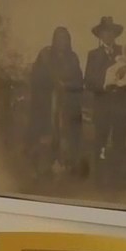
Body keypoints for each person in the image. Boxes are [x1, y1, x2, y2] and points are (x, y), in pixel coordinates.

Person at [83, 16, 126, 167]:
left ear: (115, 34)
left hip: (122, 106)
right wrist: (104, 86)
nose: (108, 35)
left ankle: (116, 177)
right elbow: (88, 81)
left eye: (111, 32)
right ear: (100, 35)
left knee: (119, 143)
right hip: (102, 105)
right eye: (104, 32)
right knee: (100, 143)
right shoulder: (93, 55)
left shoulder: (125, 51)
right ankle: (100, 177)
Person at [26, 27, 85, 174]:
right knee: (46, 135)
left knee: (68, 136)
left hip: (68, 105)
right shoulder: (45, 55)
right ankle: (42, 169)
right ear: (54, 40)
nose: (62, 42)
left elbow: (79, 81)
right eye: (59, 38)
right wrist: (52, 84)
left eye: (65, 38)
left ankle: (66, 166)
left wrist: (66, 85)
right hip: (47, 104)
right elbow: (36, 78)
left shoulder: (73, 58)